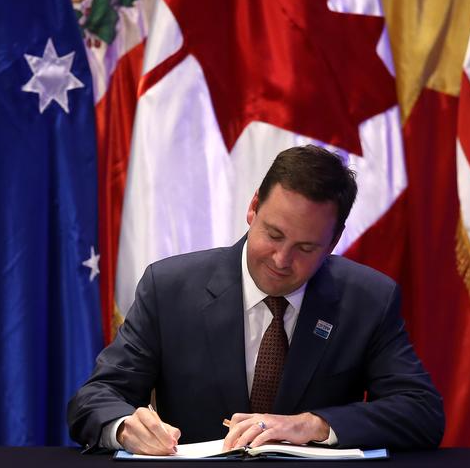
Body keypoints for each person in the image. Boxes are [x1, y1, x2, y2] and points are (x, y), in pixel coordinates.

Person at [68, 145, 444, 454]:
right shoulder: (169, 288)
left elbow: (422, 412)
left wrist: (316, 424)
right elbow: (95, 397)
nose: (282, 260)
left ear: (333, 241)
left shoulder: (367, 300)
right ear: (252, 208)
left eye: (306, 247)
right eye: (274, 234)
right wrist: (123, 428)